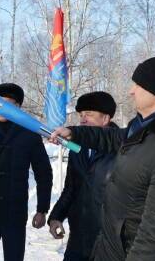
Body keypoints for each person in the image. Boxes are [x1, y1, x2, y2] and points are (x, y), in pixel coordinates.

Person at [50, 56, 155, 261]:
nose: (131, 91)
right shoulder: (143, 127)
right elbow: (113, 137)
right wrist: (74, 133)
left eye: (138, 85)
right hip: (108, 248)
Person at [0, 83, 53, 261]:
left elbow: (43, 173)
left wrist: (42, 209)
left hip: (13, 212)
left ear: (18, 107)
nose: (1, 107)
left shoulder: (30, 134)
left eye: (7, 103)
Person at [48, 91, 118, 261]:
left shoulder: (122, 149)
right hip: (78, 238)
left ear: (106, 118)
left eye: (89, 114)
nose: (83, 119)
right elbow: (71, 187)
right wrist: (56, 216)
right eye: (81, 114)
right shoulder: (77, 148)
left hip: (108, 241)